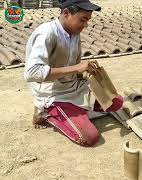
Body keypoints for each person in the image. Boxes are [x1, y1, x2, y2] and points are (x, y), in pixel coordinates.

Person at [24, 0, 123, 146]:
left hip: (72, 88)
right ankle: (46, 112)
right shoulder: (47, 33)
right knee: (89, 137)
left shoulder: (74, 33)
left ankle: (75, 112)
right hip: (54, 93)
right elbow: (32, 73)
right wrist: (77, 68)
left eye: (88, 20)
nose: (86, 25)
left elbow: (75, 67)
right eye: (83, 20)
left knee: (116, 102)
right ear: (66, 14)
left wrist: (88, 71)